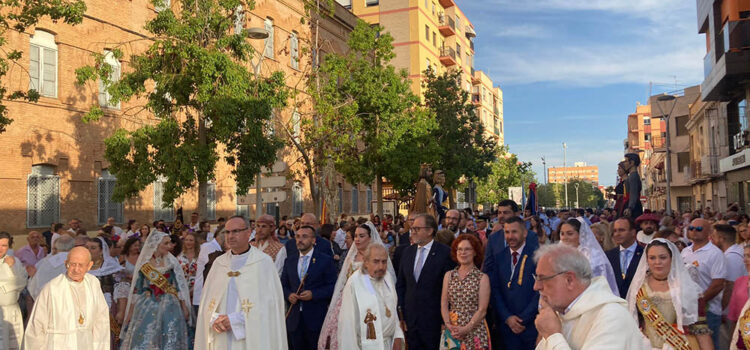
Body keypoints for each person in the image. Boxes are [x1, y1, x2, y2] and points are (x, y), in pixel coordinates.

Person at [195, 216, 288, 349]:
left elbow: (270, 307)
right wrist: (213, 318)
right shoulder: (219, 264)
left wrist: (234, 321)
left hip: (250, 337)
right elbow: (207, 303)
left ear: (249, 233)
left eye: (236, 231)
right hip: (220, 335)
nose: (230, 236)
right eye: (227, 232)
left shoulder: (263, 263)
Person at [533, 244, 645, 350]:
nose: (536, 286)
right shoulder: (561, 314)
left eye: (543, 278)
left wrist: (553, 336)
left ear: (569, 280)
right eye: (536, 278)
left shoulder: (611, 316)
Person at [319, 222, 394, 350]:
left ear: (370, 238)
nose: (357, 239)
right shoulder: (351, 255)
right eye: (356, 236)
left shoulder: (377, 257)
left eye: (361, 236)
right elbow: (343, 279)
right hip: (346, 299)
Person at [625, 238, 712, 349]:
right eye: (652, 258)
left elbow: (701, 330)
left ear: (672, 258)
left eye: (663, 257)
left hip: (680, 345)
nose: (657, 262)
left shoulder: (686, 287)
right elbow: (633, 322)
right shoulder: (639, 286)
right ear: (646, 260)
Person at [24, 246, 110, 349]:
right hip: (58, 344)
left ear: (89, 266)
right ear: (66, 264)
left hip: (86, 344)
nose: (76, 270)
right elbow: (36, 327)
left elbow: (101, 321)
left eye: (81, 265)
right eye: (72, 264)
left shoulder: (93, 283)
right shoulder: (52, 288)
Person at [118, 231, 190, 349]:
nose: (169, 246)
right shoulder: (145, 264)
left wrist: (184, 306)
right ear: (156, 244)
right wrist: (130, 312)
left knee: (170, 335)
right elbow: (137, 289)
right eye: (166, 243)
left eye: (169, 243)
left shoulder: (171, 263)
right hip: (147, 304)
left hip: (170, 304)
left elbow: (178, 287)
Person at [397, 213, 456, 350]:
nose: (413, 232)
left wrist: (445, 320)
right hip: (411, 321)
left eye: (417, 229)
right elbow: (401, 285)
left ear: (430, 231)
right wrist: (402, 315)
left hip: (434, 321)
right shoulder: (407, 252)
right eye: (412, 229)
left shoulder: (445, 253)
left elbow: (450, 290)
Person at [338, 244, 404, 350]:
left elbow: (393, 311)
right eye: (376, 261)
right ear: (366, 261)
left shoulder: (387, 278)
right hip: (366, 346)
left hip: (389, 343)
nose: (381, 267)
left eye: (384, 261)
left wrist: (397, 336)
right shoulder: (355, 283)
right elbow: (347, 324)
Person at [281, 225, 338, 350]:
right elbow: (283, 285)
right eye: (298, 236)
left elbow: (333, 287)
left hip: (316, 318)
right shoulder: (290, 261)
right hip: (294, 320)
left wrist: (314, 294)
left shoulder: (325, 260)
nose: (300, 240)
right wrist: (289, 295)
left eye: (304, 237)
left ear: (313, 240)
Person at [489, 217, 538, 349]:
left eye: (514, 232)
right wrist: (507, 317)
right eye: (507, 232)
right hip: (506, 327)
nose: (510, 236)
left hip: (531, 325)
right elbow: (495, 289)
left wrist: (523, 319)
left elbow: (541, 291)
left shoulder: (537, 256)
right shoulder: (499, 257)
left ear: (525, 233)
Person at [439, 234, 491, 350]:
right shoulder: (449, 275)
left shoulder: (482, 278)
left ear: (475, 252)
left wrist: (466, 329)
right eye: (460, 249)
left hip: (475, 329)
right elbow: (444, 303)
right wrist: (448, 325)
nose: (463, 252)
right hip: (452, 330)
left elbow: (482, 310)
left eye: (467, 249)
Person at [682, 218, 727, 348]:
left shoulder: (715, 254)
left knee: (710, 345)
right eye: (691, 228)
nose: (694, 231)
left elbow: (718, 284)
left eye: (699, 229)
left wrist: (700, 302)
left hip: (709, 311)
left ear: (709, 232)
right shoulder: (685, 252)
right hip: (687, 310)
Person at [559, 218, 620, 295]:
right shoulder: (560, 254)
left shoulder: (594, 256)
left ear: (581, 234)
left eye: (570, 233)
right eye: (562, 234)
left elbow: (599, 287)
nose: (565, 238)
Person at [0, 232, 27, 350]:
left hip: (12, 310)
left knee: (14, 344)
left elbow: (22, 282)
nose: (0, 248)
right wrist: (6, 268)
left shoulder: (14, 261)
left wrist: (5, 286)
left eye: (4, 245)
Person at [606, 217, 644, 299]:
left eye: (621, 230)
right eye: (615, 231)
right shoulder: (608, 256)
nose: (617, 234)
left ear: (633, 232)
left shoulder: (645, 254)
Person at [28, 234, 75, 300]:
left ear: (56, 247)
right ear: (74, 247)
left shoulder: (43, 263)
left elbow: (33, 288)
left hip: (48, 303)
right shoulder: (78, 262)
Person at [193, 228, 226, 314]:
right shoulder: (208, 247)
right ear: (219, 234)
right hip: (204, 295)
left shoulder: (218, 247)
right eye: (225, 232)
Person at [86, 236, 122, 309]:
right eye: (87, 248)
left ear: (101, 250)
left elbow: (121, 287)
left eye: (93, 248)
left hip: (107, 303)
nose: (88, 250)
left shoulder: (110, 265)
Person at [177, 231, 200, 296]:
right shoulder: (179, 257)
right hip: (183, 291)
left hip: (197, 290)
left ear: (195, 242)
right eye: (186, 240)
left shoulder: (200, 256)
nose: (188, 242)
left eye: (191, 240)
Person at [623, 153, 643, 219]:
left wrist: (630, 207)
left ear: (632, 162)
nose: (624, 163)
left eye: (626, 161)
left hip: (634, 207)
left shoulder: (633, 176)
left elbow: (633, 193)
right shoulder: (632, 176)